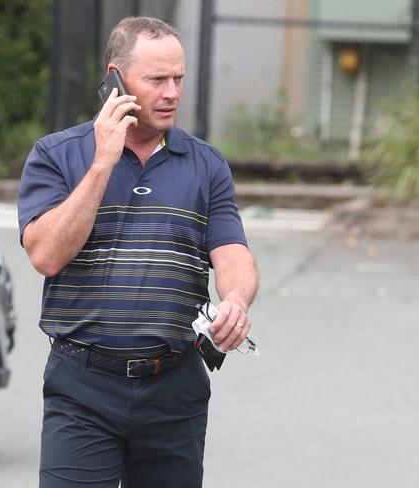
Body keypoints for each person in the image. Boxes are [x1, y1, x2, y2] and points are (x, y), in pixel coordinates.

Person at [17, 16, 258, 488]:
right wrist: (102, 162)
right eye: (156, 80)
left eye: (178, 79)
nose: (171, 93)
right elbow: (46, 256)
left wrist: (236, 300)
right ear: (115, 80)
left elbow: (233, 253)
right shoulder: (56, 155)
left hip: (175, 386)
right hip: (82, 387)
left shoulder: (206, 164)